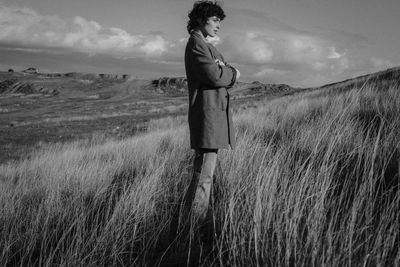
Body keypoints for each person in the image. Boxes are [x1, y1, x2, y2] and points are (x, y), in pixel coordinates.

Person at [182, 0, 240, 227]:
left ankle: (195, 221)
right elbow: (216, 75)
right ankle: (193, 228)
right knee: (203, 177)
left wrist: (223, 68)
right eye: (215, 20)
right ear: (201, 18)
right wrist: (233, 73)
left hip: (212, 119)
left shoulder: (203, 44)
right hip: (207, 119)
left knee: (204, 174)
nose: (219, 25)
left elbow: (218, 69)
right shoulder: (196, 44)